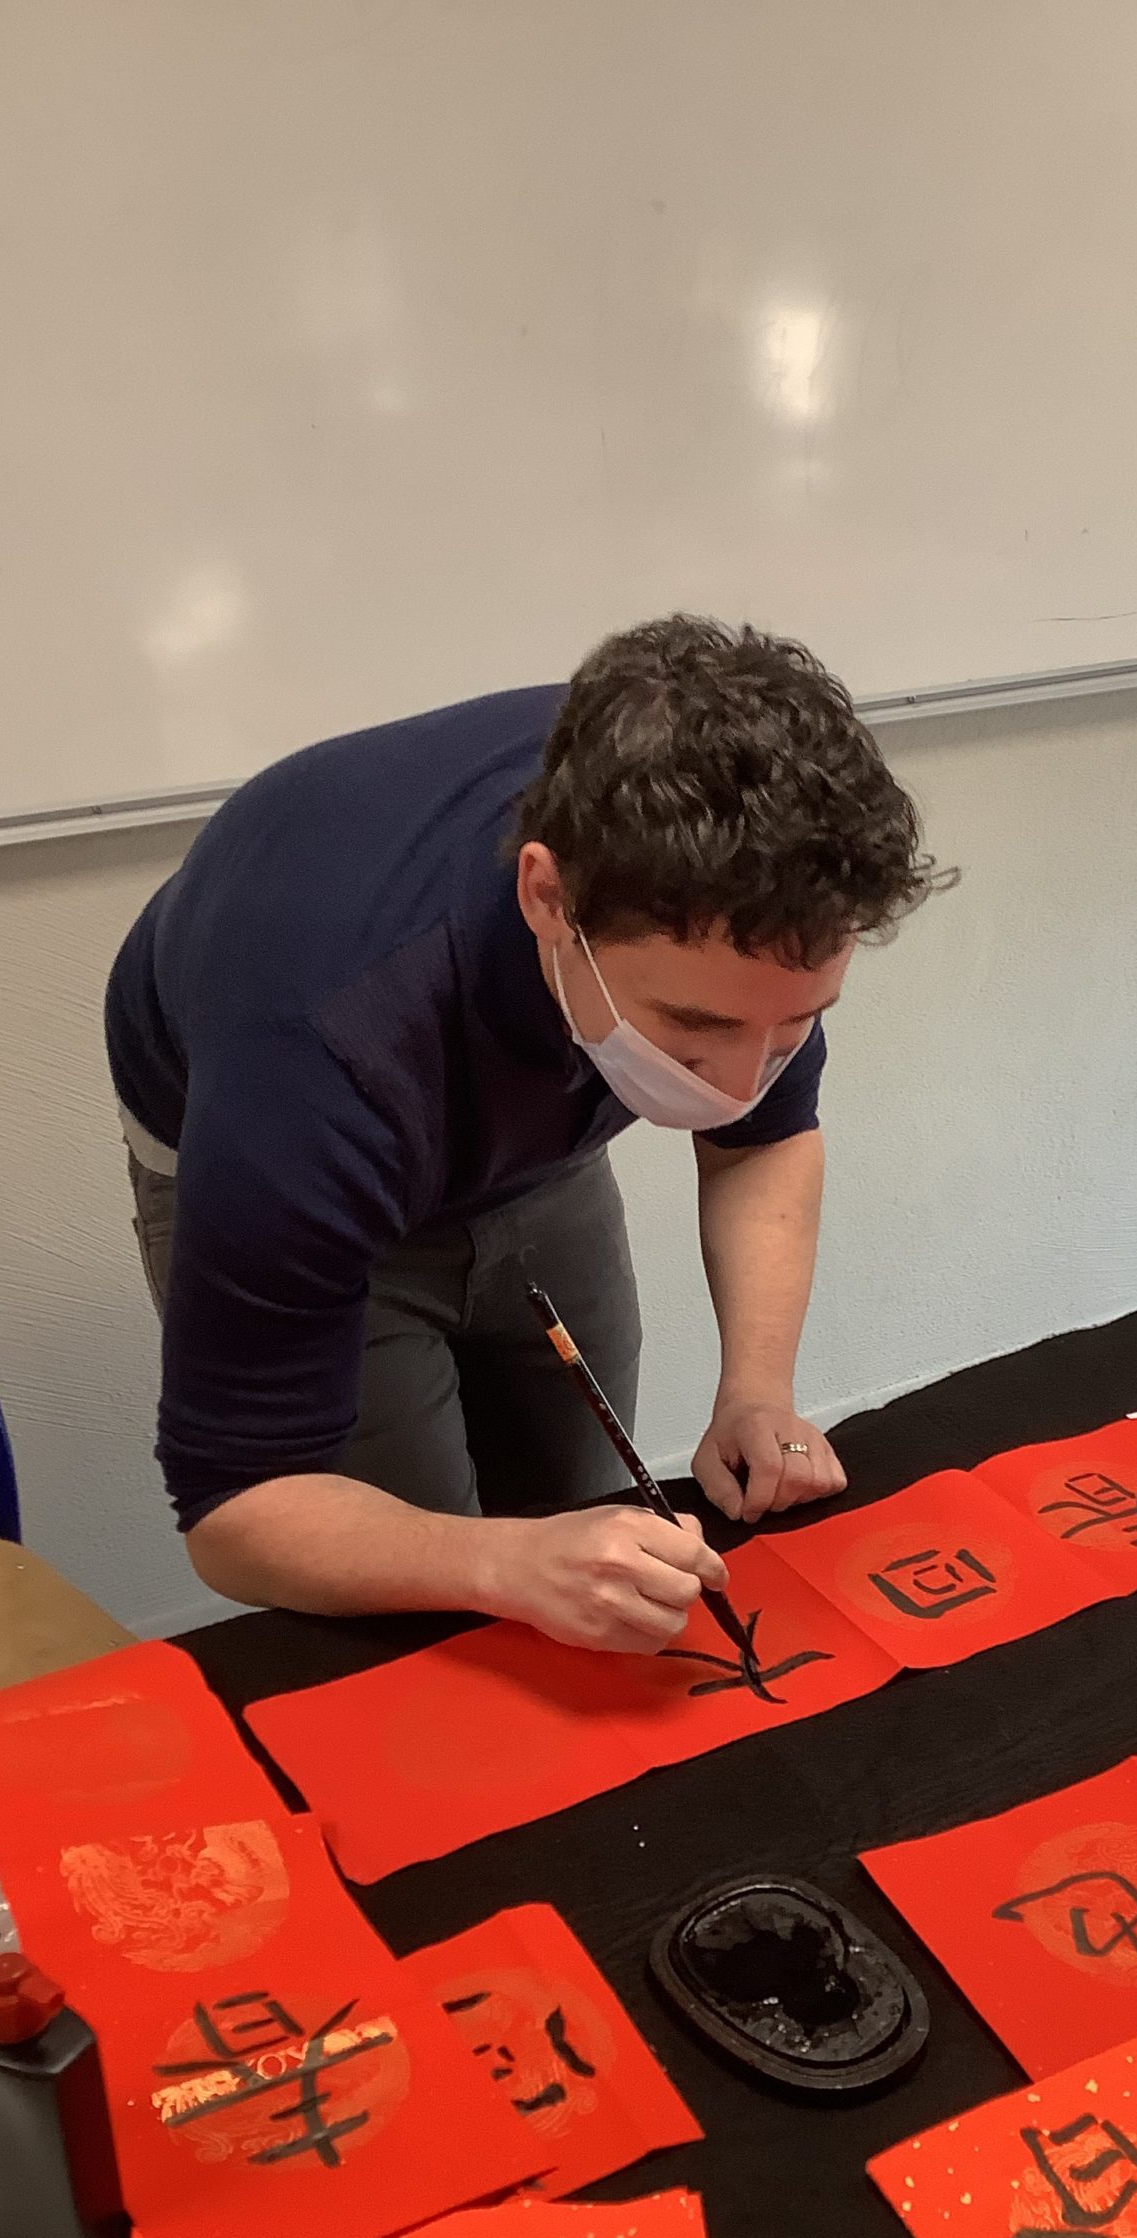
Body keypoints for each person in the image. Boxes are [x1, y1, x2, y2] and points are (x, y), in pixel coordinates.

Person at [105, 615, 941, 1649]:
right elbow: (240, 1512)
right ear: (548, 896)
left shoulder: (746, 884)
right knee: (429, 1610)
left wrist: (757, 1393)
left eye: (793, 1026)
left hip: (522, 1152)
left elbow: (762, 1139)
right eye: (693, 1033)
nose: (737, 1085)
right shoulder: (317, 1042)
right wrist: (498, 1565)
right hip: (305, 1137)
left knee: (584, 1507)